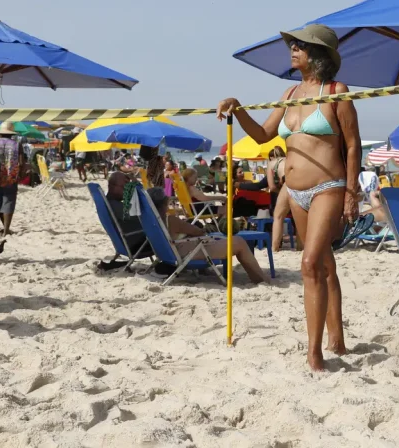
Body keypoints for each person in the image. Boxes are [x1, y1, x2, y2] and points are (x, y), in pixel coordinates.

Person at [217, 24, 361, 370]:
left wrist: (352, 193)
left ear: (318, 54)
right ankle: (336, 338)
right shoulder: (290, 93)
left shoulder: (336, 91)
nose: (292, 49)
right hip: (295, 191)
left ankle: (314, 353)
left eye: (300, 46)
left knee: (310, 264)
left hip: (329, 186)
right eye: (292, 45)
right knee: (324, 263)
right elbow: (265, 135)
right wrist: (238, 109)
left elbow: (353, 145)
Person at [146, 187, 269, 283]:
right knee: (239, 242)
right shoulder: (170, 220)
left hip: (174, 253)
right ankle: (260, 279)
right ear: (164, 203)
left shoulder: (151, 221)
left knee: (232, 241)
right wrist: (201, 228)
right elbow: (198, 231)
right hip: (190, 252)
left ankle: (259, 277)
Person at [106, 172, 152, 258]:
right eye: (124, 187)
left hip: (132, 243)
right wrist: (137, 184)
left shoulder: (110, 204)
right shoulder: (117, 207)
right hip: (140, 246)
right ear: (112, 186)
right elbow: (146, 214)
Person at [0, 122, 24, 238]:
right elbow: (21, 162)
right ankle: (6, 230)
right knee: (9, 202)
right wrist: (21, 174)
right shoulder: (17, 144)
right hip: (11, 177)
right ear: (11, 134)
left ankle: (4, 226)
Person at [267, 146, 292, 251]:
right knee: (299, 216)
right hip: (303, 181)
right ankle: (301, 246)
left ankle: (275, 248)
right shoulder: (290, 159)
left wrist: (281, 192)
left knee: (278, 216)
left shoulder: (272, 164)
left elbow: (272, 187)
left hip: (289, 183)